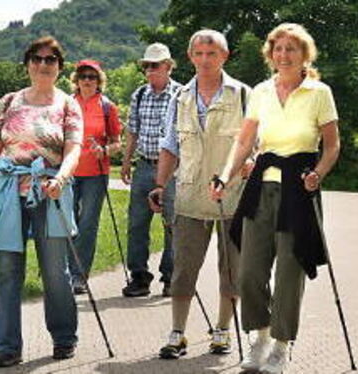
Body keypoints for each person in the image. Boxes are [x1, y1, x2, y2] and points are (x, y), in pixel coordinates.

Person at [211, 23, 341, 374]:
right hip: (260, 187)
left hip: (299, 188)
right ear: (270, 54)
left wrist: (319, 174)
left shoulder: (319, 92)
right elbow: (244, 141)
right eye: (278, 49)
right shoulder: (261, 92)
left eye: (291, 49)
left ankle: (282, 346)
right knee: (250, 270)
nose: (283, 55)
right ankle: (261, 338)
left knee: (288, 270)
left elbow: (331, 145)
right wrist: (224, 175)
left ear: (304, 56)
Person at [0, 36, 83, 368]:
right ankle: (7, 346)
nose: (43, 65)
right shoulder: (9, 101)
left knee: (55, 272)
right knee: (8, 272)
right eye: (37, 58)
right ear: (28, 63)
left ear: (59, 66)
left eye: (50, 60)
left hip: (51, 191)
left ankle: (64, 337)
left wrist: (62, 177)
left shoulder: (68, 104)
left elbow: (73, 149)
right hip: (10, 193)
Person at [150, 29, 250, 359]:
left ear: (225, 56)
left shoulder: (243, 95)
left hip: (234, 196)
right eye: (199, 54)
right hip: (190, 196)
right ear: (190, 57)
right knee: (183, 268)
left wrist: (249, 162)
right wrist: (160, 185)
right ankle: (177, 333)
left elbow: (256, 144)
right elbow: (169, 145)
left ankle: (222, 331)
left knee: (231, 268)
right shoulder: (179, 98)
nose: (205, 60)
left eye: (212, 54)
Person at [120, 43, 181, 297]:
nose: (149, 70)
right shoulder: (140, 94)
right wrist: (126, 161)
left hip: (174, 170)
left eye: (154, 65)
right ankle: (139, 277)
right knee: (137, 225)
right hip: (144, 165)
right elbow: (133, 130)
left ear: (168, 66)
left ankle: (171, 277)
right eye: (146, 66)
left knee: (172, 225)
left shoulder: (182, 93)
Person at [68, 59, 122, 294]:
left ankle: (79, 276)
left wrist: (105, 150)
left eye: (92, 77)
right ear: (76, 80)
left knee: (88, 225)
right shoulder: (66, 104)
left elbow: (117, 142)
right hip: (67, 173)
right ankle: (63, 273)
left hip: (96, 174)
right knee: (67, 223)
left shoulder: (107, 107)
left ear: (99, 81)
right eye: (83, 76)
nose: (87, 81)